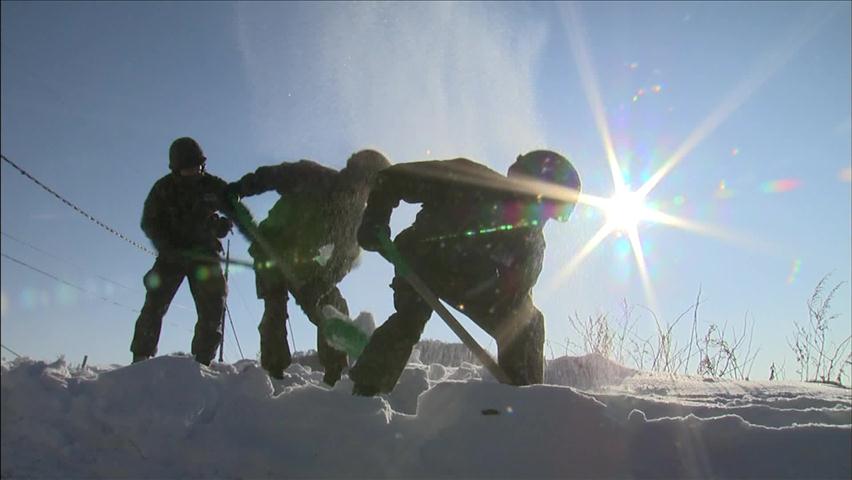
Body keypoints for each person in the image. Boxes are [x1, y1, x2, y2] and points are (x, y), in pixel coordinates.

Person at [349, 150, 581, 395]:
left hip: (472, 283)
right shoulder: (470, 178)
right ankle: (366, 392)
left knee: (529, 323)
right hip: (423, 259)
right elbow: (391, 178)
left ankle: (524, 403)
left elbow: (516, 296)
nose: (540, 219)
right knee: (409, 320)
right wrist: (375, 217)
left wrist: (513, 328)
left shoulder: (531, 244)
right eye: (541, 206)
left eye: (550, 214)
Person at [225, 150, 391, 384]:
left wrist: (321, 284)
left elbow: (345, 258)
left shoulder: (356, 215)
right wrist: (241, 188)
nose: (369, 196)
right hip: (272, 247)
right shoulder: (314, 177)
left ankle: (336, 375)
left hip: (307, 263)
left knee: (333, 308)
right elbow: (275, 175)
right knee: (275, 309)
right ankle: (274, 375)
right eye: (371, 187)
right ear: (360, 177)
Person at [130, 137, 251, 366]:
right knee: (154, 304)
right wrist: (167, 246)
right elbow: (149, 222)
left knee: (214, 305)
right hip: (172, 256)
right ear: (176, 170)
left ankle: (202, 363)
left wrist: (226, 226)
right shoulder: (163, 189)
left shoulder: (213, 186)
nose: (194, 172)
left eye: (197, 167)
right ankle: (141, 358)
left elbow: (237, 210)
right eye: (188, 169)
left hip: (204, 255)